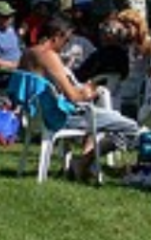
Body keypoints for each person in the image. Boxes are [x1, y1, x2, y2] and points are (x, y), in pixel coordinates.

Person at [20, 14, 139, 180]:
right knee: (130, 128)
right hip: (60, 118)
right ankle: (83, 162)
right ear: (57, 36)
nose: (66, 44)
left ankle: (82, 163)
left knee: (107, 118)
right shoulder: (50, 57)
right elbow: (74, 97)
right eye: (66, 40)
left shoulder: (28, 54)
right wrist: (89, 92)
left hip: (36, 116)